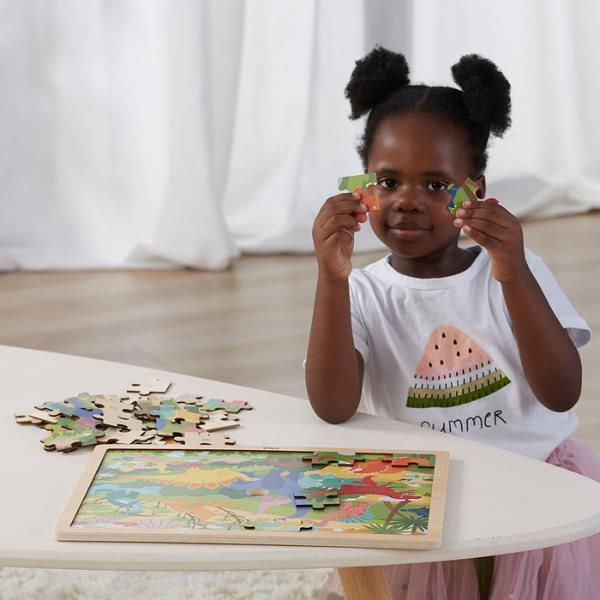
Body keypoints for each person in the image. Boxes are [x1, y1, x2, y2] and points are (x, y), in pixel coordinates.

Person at [305, 46, 600, 599]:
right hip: (424, 500)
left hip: (534, 487)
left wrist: (514, 274)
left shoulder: (514, 271)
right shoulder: (362, 291)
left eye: (436, 185)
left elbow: (562, 392)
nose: (408, 201)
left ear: (475, 192)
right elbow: (332, 405)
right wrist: (331, 279)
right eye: (387, 182)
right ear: (362, 187)